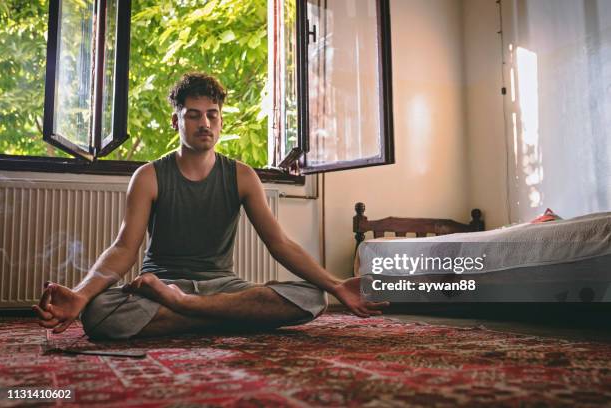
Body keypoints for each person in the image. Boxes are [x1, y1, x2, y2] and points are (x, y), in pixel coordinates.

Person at [33, 72, 388, 339]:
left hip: (221, 288)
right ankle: (230, 317)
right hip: (162, 286)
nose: (204, 123)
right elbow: (124, 248)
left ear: (220, 120)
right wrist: (80, 295)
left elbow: (279, 243)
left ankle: (190, 311)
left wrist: (336, 284)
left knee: (314, 298)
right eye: (193, 115)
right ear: (176, 121)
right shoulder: (149, 176)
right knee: (98, 314)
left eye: (212, 114)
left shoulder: (242, 176)